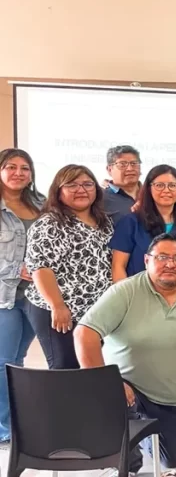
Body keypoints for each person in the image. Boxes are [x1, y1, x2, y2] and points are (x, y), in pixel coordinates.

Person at [74, 233, 176, 473]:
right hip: (129, 388)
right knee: (123, 427)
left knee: (173, 460)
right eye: (162, 257)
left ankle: (146, 437)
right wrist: (106, 382)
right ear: (147, 260)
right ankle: (127, 464)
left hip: (175, 395)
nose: (170, 263)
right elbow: (84, 334)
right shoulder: (125, 291)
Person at [24, 165, 114, 370]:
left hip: (94, 313)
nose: (81, 189)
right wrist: (57, 306)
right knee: (65, 368)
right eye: (71, 185)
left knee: (91, 367)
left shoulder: (103, 221)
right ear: (58, 190)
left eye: (87, 184)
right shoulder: (50, 223)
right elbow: (41, 267)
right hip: (58, 311)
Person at [0, 149, 43, 443]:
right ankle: (6, 429)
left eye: (24, 168)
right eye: (11, 167)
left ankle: (17, 424)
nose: (18, 173)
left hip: (37, 295)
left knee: (18, 359)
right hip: (5, 295)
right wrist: (18, 267)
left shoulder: (42, 204)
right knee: (4, 361)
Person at [110, 165, 176, 282]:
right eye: (159, 185)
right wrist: (124, 298)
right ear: (149, 189)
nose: (166, 190)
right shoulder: (130, 222)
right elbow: (118, 266)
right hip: (137, 295)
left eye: (172, 185)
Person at [102, 145, 142, 224]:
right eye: (122, 164)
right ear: (109, 170)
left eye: (134, 163)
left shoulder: (152, 194)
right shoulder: (100, 199)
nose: (130, 168)